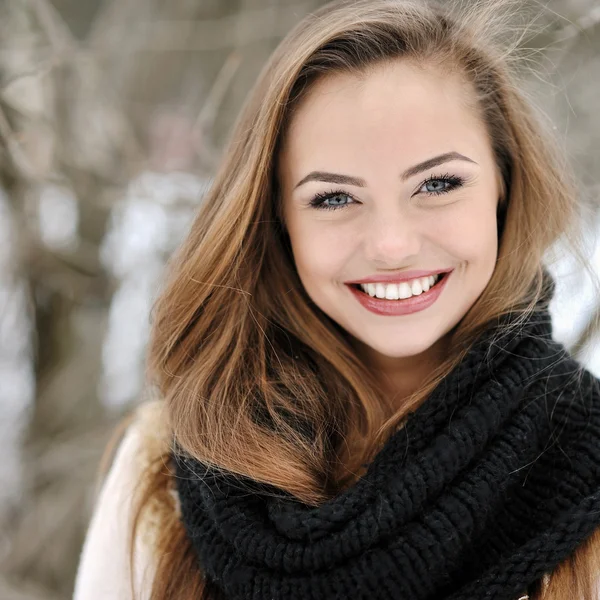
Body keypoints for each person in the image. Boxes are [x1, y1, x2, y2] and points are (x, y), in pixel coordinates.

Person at [73, 0, 600, 598]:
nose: (392, 246)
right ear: (277, 218)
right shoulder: (165, 474)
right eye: (333, 198)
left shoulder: (587, 467)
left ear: (505, 184)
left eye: (438, 184)